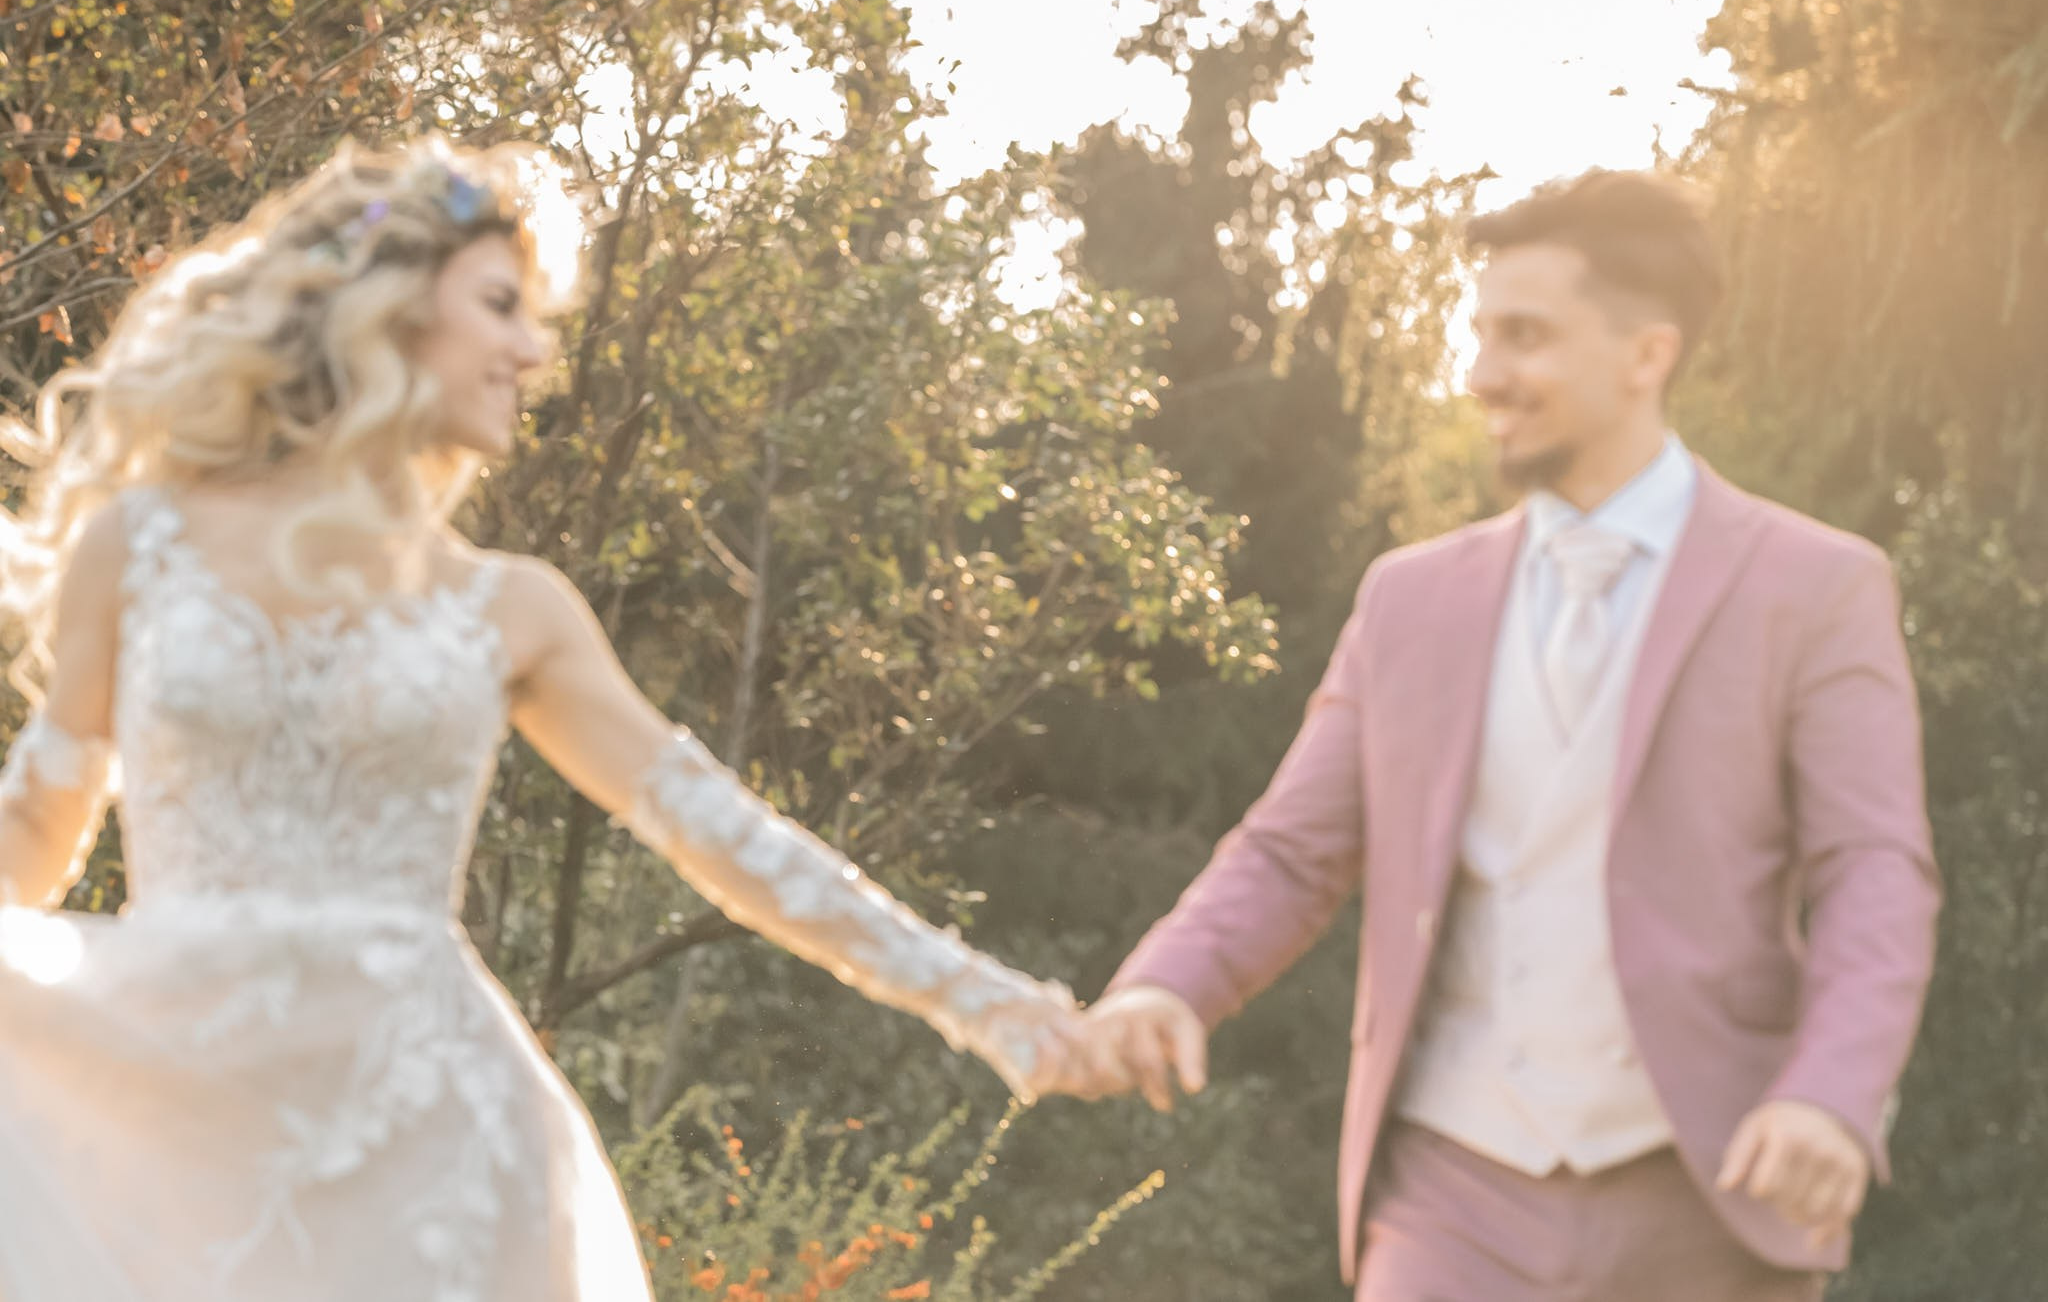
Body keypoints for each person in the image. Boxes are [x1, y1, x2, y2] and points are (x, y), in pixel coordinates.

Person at [0, 136, 1078, 1300]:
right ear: (395, 309)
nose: (532, 348)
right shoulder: (142, 543)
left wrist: (992, 1006)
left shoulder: (511, 610)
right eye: (503, 305)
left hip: (428, 1151)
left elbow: (729, 840)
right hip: (174, 1118)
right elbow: (38, 830)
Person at [1042, 169, 1941, 1301]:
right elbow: (1292, 848)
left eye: (1522, 338)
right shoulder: (1408, 600)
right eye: (1479, 336)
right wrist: (1166, 987)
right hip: (1450, 1192)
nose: (1481, 376)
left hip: (1709, 1192)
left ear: (1644, 355)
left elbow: (1874, 875)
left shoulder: (1814, 587)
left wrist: (1830, 1093)